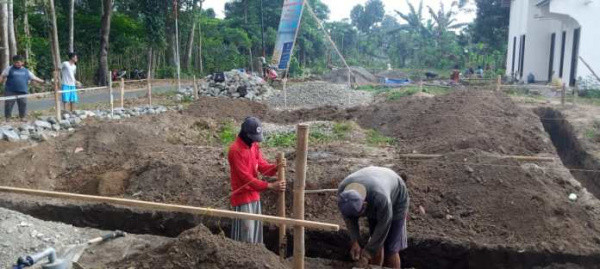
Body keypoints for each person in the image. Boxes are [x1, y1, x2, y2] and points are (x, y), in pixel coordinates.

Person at [337, 166, 410, 269]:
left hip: (396, 194)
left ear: (365, 205)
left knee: (390, 248)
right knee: (375, 242)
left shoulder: (380, 198)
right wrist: (355, 241)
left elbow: (383, 226)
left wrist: (367, 253)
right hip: (375, 183)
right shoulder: (343, 195)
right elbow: (349, 219)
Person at [228, 117, 286, 244]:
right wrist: (270, 185)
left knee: (255, 235)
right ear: (246, 134)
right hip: (242, 198)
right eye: (253, 138)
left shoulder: (254, 146)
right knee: (245, 236)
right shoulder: (235, 150)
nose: (255, 141)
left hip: (255, 196)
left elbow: (262, 166)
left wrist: (276, 167)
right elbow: (245, 179)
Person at [1, 55, 45, 121]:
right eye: (15, 62)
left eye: (18, 62)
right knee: (9, 104)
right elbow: (2, 75)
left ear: (22, 62)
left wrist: (43, 81)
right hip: (10, 90)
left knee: (23, 104)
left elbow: (34, 77)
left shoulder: (26, 71)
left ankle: (22, 117)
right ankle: (8, 118)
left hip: (22, 91)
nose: (17, 64)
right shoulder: (9, 68)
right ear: (13, 62)